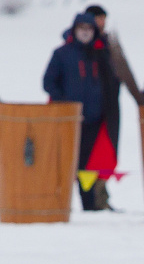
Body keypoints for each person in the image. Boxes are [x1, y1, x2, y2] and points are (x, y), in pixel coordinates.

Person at [43, 11, 120, 212]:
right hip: (68, 119)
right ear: (74, 30)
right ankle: (58, 204)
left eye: (89, 29)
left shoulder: (102, 54)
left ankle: (90, 206)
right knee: (64, 162)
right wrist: (62, 103)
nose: (85, 33)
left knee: (89, 165)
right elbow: (48, 82)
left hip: (95, 119)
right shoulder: (62, 54)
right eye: (81, 29)